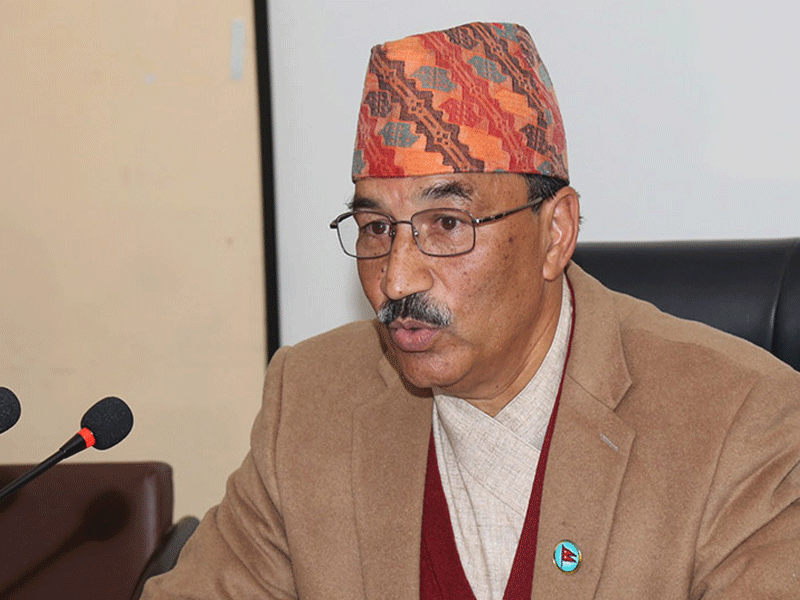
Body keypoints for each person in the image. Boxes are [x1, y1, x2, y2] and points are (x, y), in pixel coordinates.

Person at [142, 22, 800, 599]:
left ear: (556, 233)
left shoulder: (741, 422)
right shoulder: (312, 400)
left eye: (448, 223)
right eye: (376, 228)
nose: (396, 277)